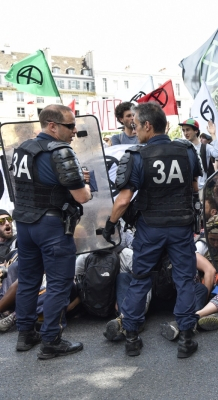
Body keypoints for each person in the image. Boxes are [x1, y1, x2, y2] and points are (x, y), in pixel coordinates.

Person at [101, 102, 202, 358]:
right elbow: (194, 190)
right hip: (180, 226)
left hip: (151, 228)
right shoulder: (188, 151)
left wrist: (110, 224)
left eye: (135, 125)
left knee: (140, 279)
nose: (134, 130)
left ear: (148, 125)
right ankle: (187, 337)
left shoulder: (136, 156)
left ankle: (132, 336)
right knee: (185, 280)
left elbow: (124, 200)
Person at [12, 104, 92, 359]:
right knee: (59, 284)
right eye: (70, 125)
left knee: (27, 281)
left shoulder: (23, 148)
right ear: (52, 126)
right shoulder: (60, 151)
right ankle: (51, 340)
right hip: (51, 226)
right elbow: (82, 197)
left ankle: (25, 334)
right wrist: (86, 184)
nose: (74, 130)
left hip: (24, 224)